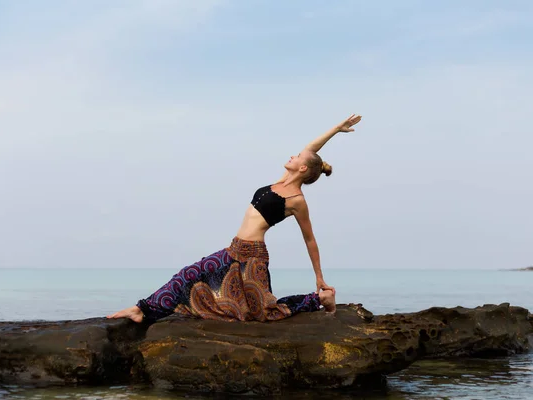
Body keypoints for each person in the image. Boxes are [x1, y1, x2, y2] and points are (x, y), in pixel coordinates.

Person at [107, 114, 362, 323]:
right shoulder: (281, 181)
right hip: (233, 250)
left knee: (263, 313)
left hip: (253, 257)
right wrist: (336, 129)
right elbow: (311, 150)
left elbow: (310, 240)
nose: (293, 156)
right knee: (188, 275)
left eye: (297, 157)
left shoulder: (296, 199)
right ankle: (142, 310)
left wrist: (319, 276)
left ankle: (320, 299)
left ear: (303, 169)